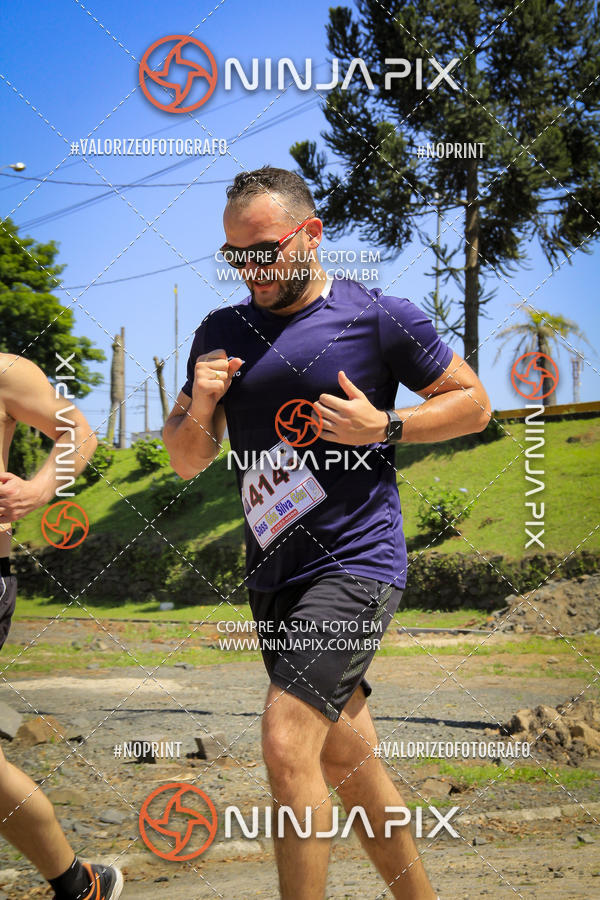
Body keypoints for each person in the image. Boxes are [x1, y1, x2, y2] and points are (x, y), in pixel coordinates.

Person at [164, 166, 491, 900]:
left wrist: (388, 425)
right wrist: (199, 406)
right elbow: (187, 461)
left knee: (286, 744)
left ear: (311, 234)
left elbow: (474, 404)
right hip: (274, 574)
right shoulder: (220, 331)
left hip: (356, 561)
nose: (251, 269)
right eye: (236, 256)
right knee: (346, 759)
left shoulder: (380, 317)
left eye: (265, 250)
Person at [0, 353, 123, 900]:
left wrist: (42, 486)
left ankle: (77, 882)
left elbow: (80, 431)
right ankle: (77, 883)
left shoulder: (5, 372)